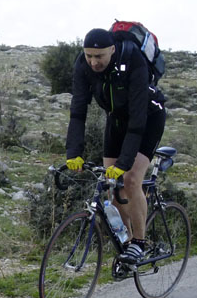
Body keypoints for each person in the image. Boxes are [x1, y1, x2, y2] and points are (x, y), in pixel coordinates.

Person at [65, 28, 166, 264]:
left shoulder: (133, 61)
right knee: (113, 186)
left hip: (147, 119)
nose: (93, 62)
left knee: (130, 180)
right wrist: (73, 153)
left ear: (112, 50)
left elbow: (138, 121)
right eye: (89, 55)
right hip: (117, 119)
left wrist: (124, 163)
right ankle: (128, 243)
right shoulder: (83, 65)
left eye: (99, 56)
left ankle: (140, 243)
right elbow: (78, 112)